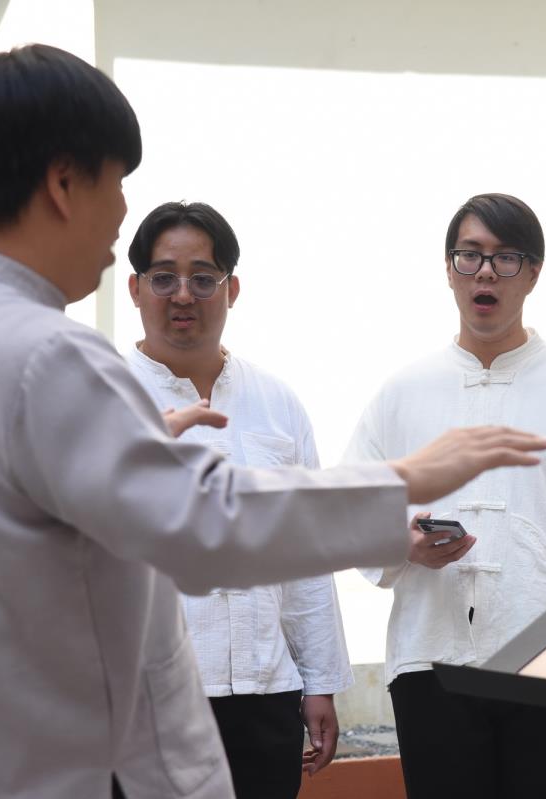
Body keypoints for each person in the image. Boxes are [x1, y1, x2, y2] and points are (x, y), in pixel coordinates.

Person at [0, 45, 546, 799]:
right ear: (62, 183)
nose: (120, 215)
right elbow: (207, 522)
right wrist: (406, 477)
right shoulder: (43, 354)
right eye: (116, 182)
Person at [344, 193, 546, 799]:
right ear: (448, 268)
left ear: (533, 273)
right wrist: (402, 544)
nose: (485, 272)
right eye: (470, 256)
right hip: (432, 661)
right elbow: (351, 509)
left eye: (506, 258)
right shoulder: (402, 392)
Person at [123, 200, 353, 797]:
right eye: (164, 278)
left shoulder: (276, 403)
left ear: (233, 289)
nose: (183, 295)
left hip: (264, 690)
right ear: (135, 288)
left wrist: (320, 682)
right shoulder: (100, 397)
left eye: (203, 278)